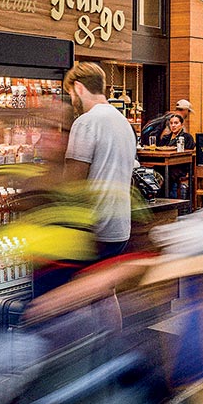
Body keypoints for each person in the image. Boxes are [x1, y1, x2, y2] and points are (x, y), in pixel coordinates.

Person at [63, 62, 137, 263]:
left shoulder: (86, 122)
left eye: (71, 94)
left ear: (79, 88)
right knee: (104, 289)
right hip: (120, 227)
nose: (72, 101)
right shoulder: (123, 122)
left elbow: (74, 181)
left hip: (95, 228)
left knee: (77, 290)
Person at [159, 114, 196, 198]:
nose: (173, 125)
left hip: (180, 166)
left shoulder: (187, 137)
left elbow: (188, 152)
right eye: (171, 123)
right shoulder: (166, 137)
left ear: (181, 125)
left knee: (168, 173)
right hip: (166, 164)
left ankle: (170, 199)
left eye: (176, 123)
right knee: (156, 170)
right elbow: (160, 148)